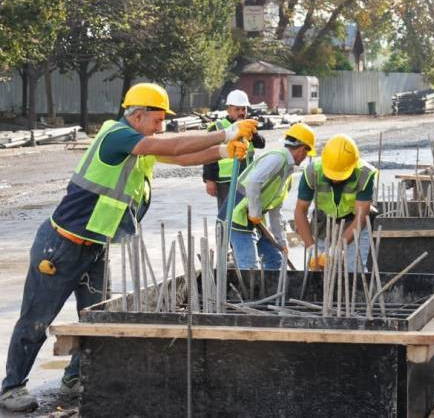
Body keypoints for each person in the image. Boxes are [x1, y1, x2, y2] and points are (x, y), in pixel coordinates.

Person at [0, 83, 257, 413]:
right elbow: (173, 144)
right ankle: (12, 387)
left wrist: (222, 152)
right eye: (158, 120)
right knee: (37, 318)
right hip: (61, 246)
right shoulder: (117, 136)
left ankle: (75, 377)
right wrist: (226, 133)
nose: (161, 127)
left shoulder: (138, 144)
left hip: (95, 246)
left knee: (98, 317)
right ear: (138, 116)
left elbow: (179, 156)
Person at [223, 123, 315, 270]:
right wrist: (255, 212)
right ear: (302, 149)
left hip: (256, 219)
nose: (305, 157)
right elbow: (253, 182)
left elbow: (275, 211)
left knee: (276, 261)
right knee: (250, 268)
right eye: (307, 153)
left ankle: (272, 286)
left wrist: (282, 242)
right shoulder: (277, 158)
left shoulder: (287, 172)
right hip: (237, 216)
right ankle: (251, 285)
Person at [295, 134, 378, 273]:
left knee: (354, 272)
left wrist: (338, 248)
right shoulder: (312, 172)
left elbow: (361, 217)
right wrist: (311, 248)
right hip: (323, 225)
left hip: (354, 224)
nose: (336, 180)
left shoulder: (364, 174)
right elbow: (300, 211)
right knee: (319, 271)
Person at [203, 89, 266, 215]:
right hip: (225, 181)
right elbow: (208, 156)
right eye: (237, 109)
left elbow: (261, 144)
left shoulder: (248, 126)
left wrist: (252, 133)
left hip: (246, 178)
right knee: (227, 215)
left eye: (244, 109)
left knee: (246, 215)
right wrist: (209, 180)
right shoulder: (217, 127)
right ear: (228, 110)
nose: (241, 113)